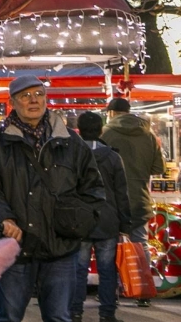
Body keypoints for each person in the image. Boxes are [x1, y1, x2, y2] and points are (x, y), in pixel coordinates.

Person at [0, 75, 105, 322]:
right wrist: (4, 218)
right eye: (26, 95)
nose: (33, 100)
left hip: (60, 246)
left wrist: (82, 221)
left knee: (59, 317)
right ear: (13, 102)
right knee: (8, 317)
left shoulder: (71, 142)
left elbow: (93, 188)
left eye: (39, 94)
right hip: (15, 248)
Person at [101, 96, 164, 308]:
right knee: (140, 244)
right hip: (139, 199)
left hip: (111, 200)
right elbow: (158, 169)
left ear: (111, 113)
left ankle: (111, 294)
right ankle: (142, 291)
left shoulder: (106, 134)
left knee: (109, 246)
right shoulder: (148, 134)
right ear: (129, 111)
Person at [72, 111, 133, 322]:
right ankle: (107, 314)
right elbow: (121, 193)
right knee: (108, 269)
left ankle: (75, 312)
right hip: (108, 220)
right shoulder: (114, 157)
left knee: (78, 269)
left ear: (79, 129)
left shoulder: (72, 155)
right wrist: (125, 223)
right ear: (100, 130)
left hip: (79, 220)